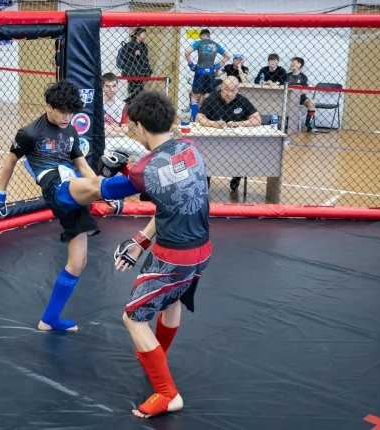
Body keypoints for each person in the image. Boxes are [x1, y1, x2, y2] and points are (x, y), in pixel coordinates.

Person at [0, 80, 140, 331]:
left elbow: (82, 165)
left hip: (73, 188)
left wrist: (97, 186)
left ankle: (49, 320)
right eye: (62, 112)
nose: (66, 117)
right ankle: (142, 178)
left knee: (78, 262)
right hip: (56, 188)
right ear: (48, 106)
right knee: (100, 183)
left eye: (71, 112)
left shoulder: (70, 130)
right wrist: (0, 195)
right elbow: (10, 162)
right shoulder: (29, 133)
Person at [113, 90, 212, 419]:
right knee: (171, 300)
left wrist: (115, 170)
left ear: (141, 126)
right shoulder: (190, 148)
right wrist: (140, 240)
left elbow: (108, 190)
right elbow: (169, 201)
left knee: (133, 317)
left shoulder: (144, 170)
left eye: (134, 128)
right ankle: (158, 356)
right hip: (202, 250)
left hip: (173, 258)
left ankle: (168, 393)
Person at [197, 76, 261, 191]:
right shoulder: (212, 99)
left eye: (233, 90)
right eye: (226, 89)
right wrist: (214, 124)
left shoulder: (242, 100)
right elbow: (199, 117)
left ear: (237, 90)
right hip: (214, 142)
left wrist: (239, 123)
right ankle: (207, 176)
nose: (229, 94)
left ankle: (237, 176)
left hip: (237, 143)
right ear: (221, 87)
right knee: (206, 154)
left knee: (243, 154)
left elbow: (257, 119)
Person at [184, 29, 229, 122]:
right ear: (209, 35)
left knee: (194, 96)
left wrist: (191, 64)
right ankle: (205, 118)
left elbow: (187, 52)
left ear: (201, 36)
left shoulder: (199, 42)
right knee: (207, 95)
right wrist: (218, 66)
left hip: (200, 71)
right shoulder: (215, 44)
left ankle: (194, 119)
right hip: (211, 72)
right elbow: (227, 56)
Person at [102, 72, 148, 162]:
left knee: (144, 152)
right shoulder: (98, 104)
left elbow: (125, 130)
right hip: (104, 140)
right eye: (108, 86)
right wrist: (119, 132)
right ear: (102, 87)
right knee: (108, 158)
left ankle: (128, 166)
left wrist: (108, 129)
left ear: (117, 87)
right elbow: (101, 132)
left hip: (120, 139)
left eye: (114, 86)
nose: (111, 89)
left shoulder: (122, 105)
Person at [117, 27, 153, 104]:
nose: (145, 36)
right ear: (137, 35)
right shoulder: (129, 46)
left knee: (139, 91)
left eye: (145, 34)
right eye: (143, 34)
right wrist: (133, 54)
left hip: (141, 72)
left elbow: (145, 59)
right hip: (131, 72)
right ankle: (128, 103)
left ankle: (129, 103)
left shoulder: (144, 46)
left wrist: (148, 71)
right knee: (135, 91)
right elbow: (124, 57)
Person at [286, 56, 317, 133]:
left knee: (312, 103)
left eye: (295, 62)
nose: (292, 64)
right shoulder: (286, 75)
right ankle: (286, 123)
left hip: (300, 98)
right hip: (288, 98)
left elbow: (306, 90)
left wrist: (297, 91)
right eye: (291, 62)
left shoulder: (303, 77)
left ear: (300, 65)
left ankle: (309, 125)